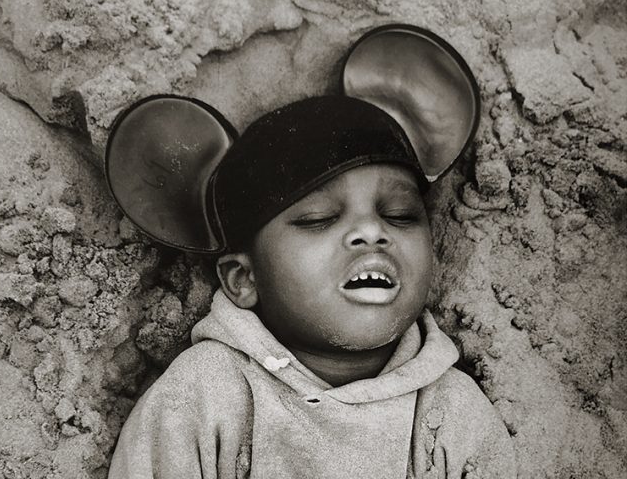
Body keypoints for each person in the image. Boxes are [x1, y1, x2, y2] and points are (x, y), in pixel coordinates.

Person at [105, 26, 517, 479]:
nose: (370, 231)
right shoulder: (204, 394)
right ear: (244, 280)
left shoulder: (451, 413)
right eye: (318, 218)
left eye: (399, 214)